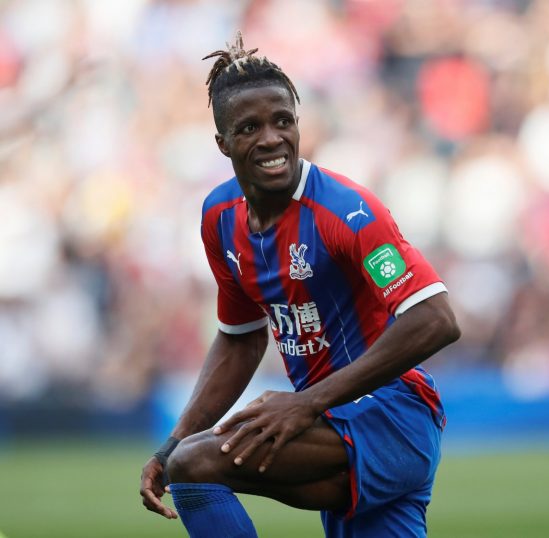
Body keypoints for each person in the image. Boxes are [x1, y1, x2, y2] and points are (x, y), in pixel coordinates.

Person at [139, 32, 460, 538]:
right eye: (249, 127)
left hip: (391, 418)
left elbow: (436, 319)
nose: (271, 139)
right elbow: (241, 338)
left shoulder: (348, 212)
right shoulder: (220, 218)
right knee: (185, 456)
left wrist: (307, 401)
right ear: (222, 143)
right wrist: (169, 442)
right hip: (326, 423)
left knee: (197, 464)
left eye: (282, 121)